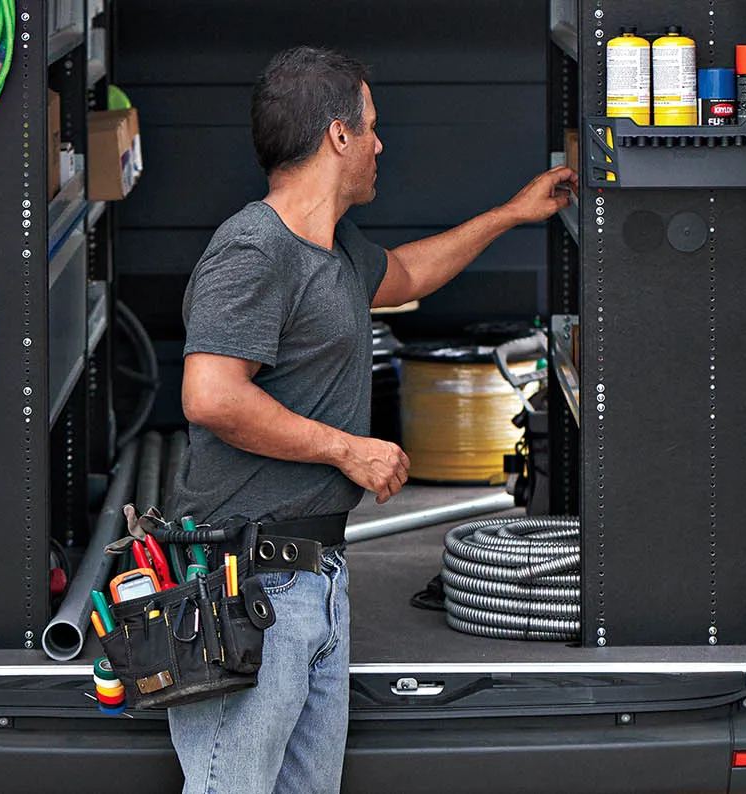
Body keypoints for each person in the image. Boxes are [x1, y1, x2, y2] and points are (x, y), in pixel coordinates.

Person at [166, 45, 579, 794]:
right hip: (250, 584)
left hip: (314, 579)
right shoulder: (254, 249)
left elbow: (410, 273)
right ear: (338, 136)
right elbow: (212, 396)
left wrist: (513, 214)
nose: (382, 145)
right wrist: (347, 450)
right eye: (373, 128)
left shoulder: (332, 251)